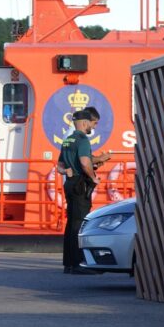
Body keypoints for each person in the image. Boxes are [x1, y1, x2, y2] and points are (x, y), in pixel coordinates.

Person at [57, 107, 110, 274]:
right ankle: (79, 263)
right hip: (80, 184)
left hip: (70, 183)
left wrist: (67, 172)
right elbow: (85, 162)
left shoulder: (67, 141)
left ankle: (69, 264)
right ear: (85, 122)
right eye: (91, 125)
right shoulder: (83, 140)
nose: (92, 128)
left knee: (71, 223)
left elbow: (59, 166)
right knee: (80, 224)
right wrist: (93, 177)